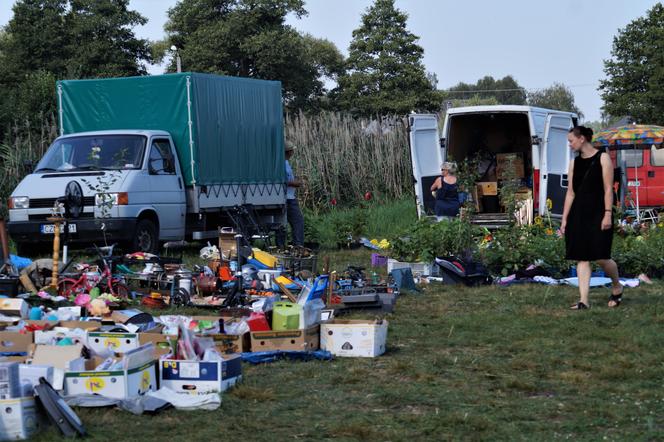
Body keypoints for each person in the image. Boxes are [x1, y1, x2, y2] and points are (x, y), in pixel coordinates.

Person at [561, 126, 622, 310]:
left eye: (571, 140)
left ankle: (617, 286)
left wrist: (608, 214)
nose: (569, 144)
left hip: (599, 213)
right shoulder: (574, 163)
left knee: (601, 257)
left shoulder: (602, 158)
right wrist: (564, 219)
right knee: (582, 257)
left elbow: (607, 189)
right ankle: (584, 300)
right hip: (578, 215)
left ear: (581, 139)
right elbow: (570, 193)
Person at [284, 142, 304, 246]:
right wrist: (297, 183)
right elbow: (284, 181)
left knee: (283, 224)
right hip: (288, 198)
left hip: (289, 197)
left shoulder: (285, 163)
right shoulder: (283, 164)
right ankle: (298, 246)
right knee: (298, 222)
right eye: (292, 150)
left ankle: (283, 245)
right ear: (289, 152)